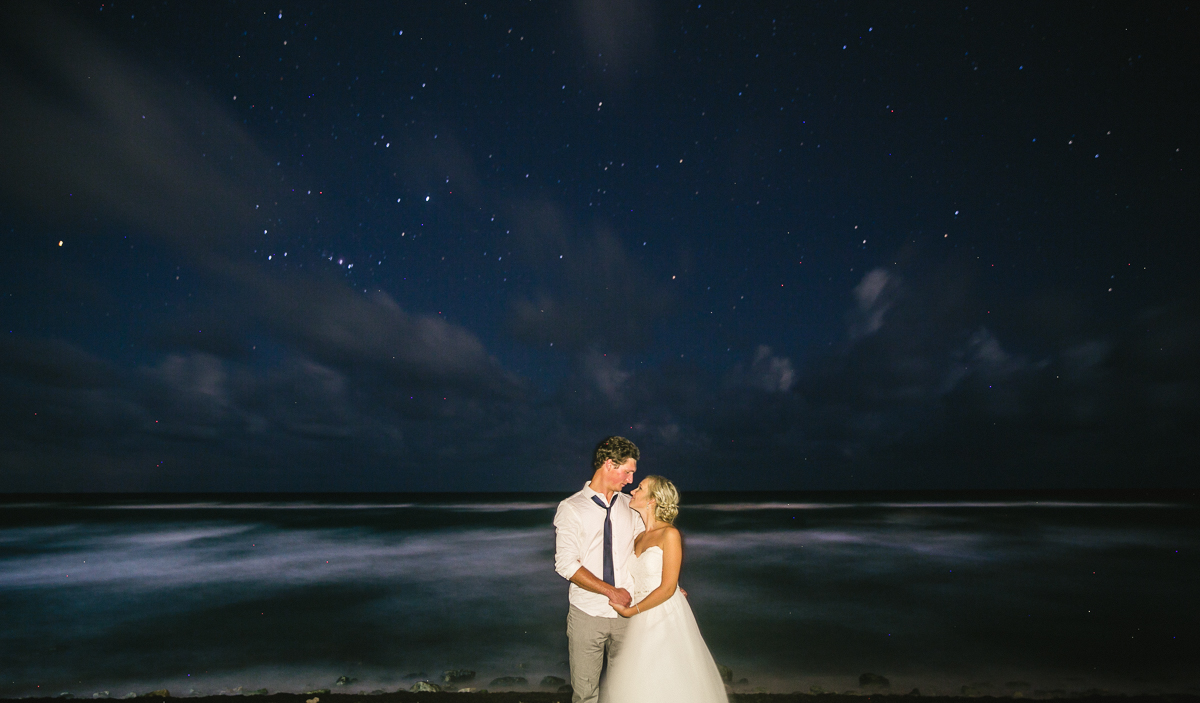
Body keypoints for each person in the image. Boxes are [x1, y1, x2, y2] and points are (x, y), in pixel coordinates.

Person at [601, 475, 728, 703]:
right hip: (640, 617)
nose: (633, 491)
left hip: (663, 616)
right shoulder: (639, 536)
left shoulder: (670, 534)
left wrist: (631, 610)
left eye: (640, 488)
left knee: (665, 680)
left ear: (652, 500)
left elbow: (668, 588)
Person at [553, 436, 644, 703]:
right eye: (627, 472)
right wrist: (610, 591)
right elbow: (566, 564)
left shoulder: (630, 506)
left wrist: (668, 583)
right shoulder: (571, 508)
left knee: (625, 691)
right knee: (585, 693)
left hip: (628, 613)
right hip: (587, 614)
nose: (630, 480)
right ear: (608, 464)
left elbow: (645, 549)